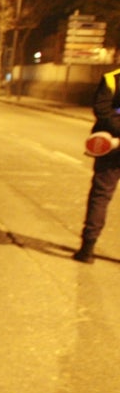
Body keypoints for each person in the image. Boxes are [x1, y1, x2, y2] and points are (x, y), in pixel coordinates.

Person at [73, 67, 120, 264]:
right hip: (111, 145)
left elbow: (102, 110)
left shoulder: (111, 78)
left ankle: (87, 249)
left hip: (110, 145)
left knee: (100, 196)